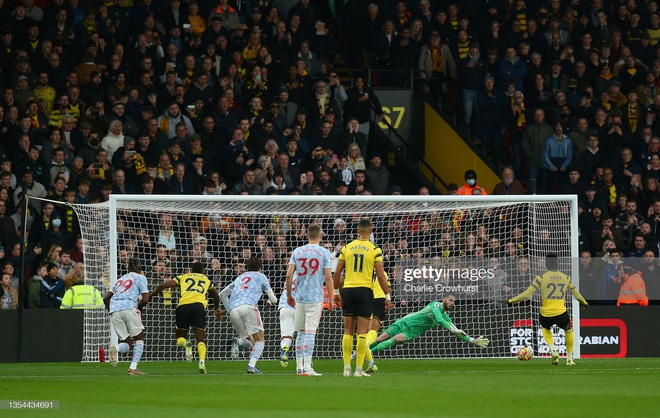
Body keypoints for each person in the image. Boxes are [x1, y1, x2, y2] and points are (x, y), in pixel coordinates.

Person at [503, 253, 588, 366]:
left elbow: (526, 294)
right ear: (557, 263)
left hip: (546, 314)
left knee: (545, 329)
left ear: (546, 264)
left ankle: (553, 350)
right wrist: (584, 302)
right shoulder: (566, 277)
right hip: (561, 312)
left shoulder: (540, 278)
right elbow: (576, 294)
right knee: (568, 330)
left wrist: (510, 301)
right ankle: (569, 359)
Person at [333, 217, 389, 377]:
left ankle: (345, 369)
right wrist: (387, 296)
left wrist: (336, 293)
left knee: (347, 331)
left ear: (357, 231)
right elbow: (380, 275)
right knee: (362, 332)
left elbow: (337, 273)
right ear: (371, 231)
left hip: (349, 290)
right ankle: (358, 370)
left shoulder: (347, 248)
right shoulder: (374, 249)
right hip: (365, 291)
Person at [149, 261, 222, 374]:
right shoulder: (206, 280)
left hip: (182, 307)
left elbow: (163, 286)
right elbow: (215, 295)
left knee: (180, 338)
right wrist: (216, 308)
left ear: (191, 270)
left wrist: (149, 296)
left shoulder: (184, 277)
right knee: (200, 341)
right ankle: (202, 362)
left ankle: (186, 344)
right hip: (198, 307)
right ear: (203, 271)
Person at [284, 223, 335, 376]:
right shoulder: (325, 252)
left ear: (306, 235)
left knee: (300, 331)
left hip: (299, 296)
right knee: (310, 332)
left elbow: (288, 275)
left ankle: (299, 367)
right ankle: (307, 366)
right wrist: (331, 298)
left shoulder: (297, 251)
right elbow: (328, 277)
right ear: (321, 235)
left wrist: (288, 295)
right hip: (314, 297)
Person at [370, 294, 489, 353]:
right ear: (444, 300)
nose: (453, 303)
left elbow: (457, 332)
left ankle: (368, 353)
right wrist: (453, 330)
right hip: (405, 322)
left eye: (454, 302)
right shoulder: (435, 305)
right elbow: (440, 320)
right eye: (450, 300)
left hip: (412, 332)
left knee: (396, 338)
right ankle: (358, 352)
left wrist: (472, 340)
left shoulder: (446, 317)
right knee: (381, 338)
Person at [220, 257, 277, 374]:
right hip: (249, 307)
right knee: (260, 341)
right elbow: (274, 299)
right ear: (260, 267)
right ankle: (251, 366)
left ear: (247, 267)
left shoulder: (240, 278)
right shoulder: (261, 277)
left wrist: (229, 310)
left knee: (252, 343)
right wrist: (270, 302)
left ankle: (239, 342)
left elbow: (222, 294)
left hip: (234, 310)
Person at [103, 259, 149, 375]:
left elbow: (105, 298)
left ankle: (116, 349)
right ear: (139, 267)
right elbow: (145, 299)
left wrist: (112, 311)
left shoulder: (120, 279)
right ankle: (133, 367)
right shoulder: (140, 277)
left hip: (115, 310)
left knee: (127, 343)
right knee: (138, 339)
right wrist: (138, 307)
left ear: (128, 268)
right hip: (129, 308)